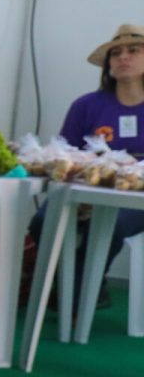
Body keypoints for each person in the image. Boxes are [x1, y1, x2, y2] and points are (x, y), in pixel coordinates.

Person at [29, 24, 144, 297]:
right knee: (42, 222)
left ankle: (81, 288)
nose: (123, 57)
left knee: (107, 225)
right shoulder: (86, 105)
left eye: (133, 50)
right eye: (115, 53)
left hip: (136, 199)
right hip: (84, 191)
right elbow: (64, 154)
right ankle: (74, 283)